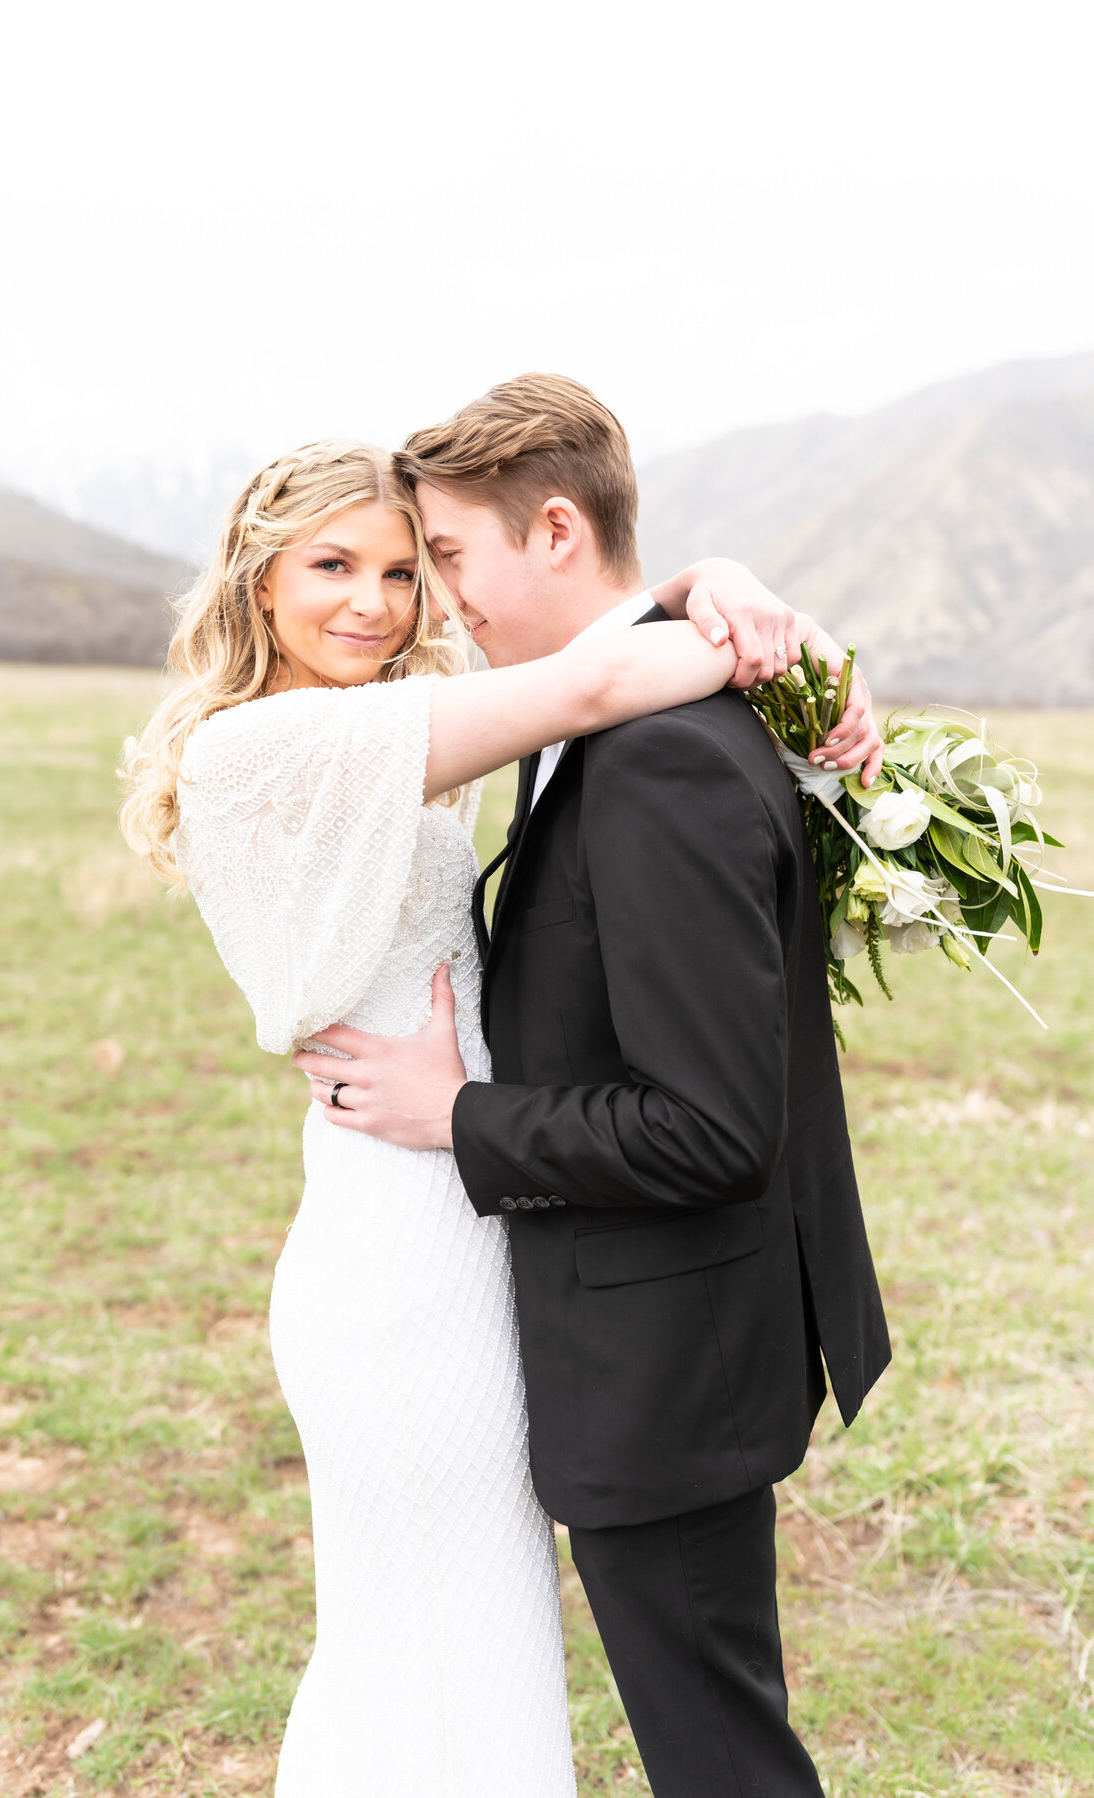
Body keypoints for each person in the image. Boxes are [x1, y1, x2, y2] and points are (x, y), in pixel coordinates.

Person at [297, 379, 891, 1798]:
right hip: (666, 1335)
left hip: (666, 1360)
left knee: (724, 1759)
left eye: (445, 555)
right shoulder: (645, 703)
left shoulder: (660, 763)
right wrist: (711, 590)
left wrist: (457, 1116)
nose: (438, 600)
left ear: (554, 528)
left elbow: (714, 1126)